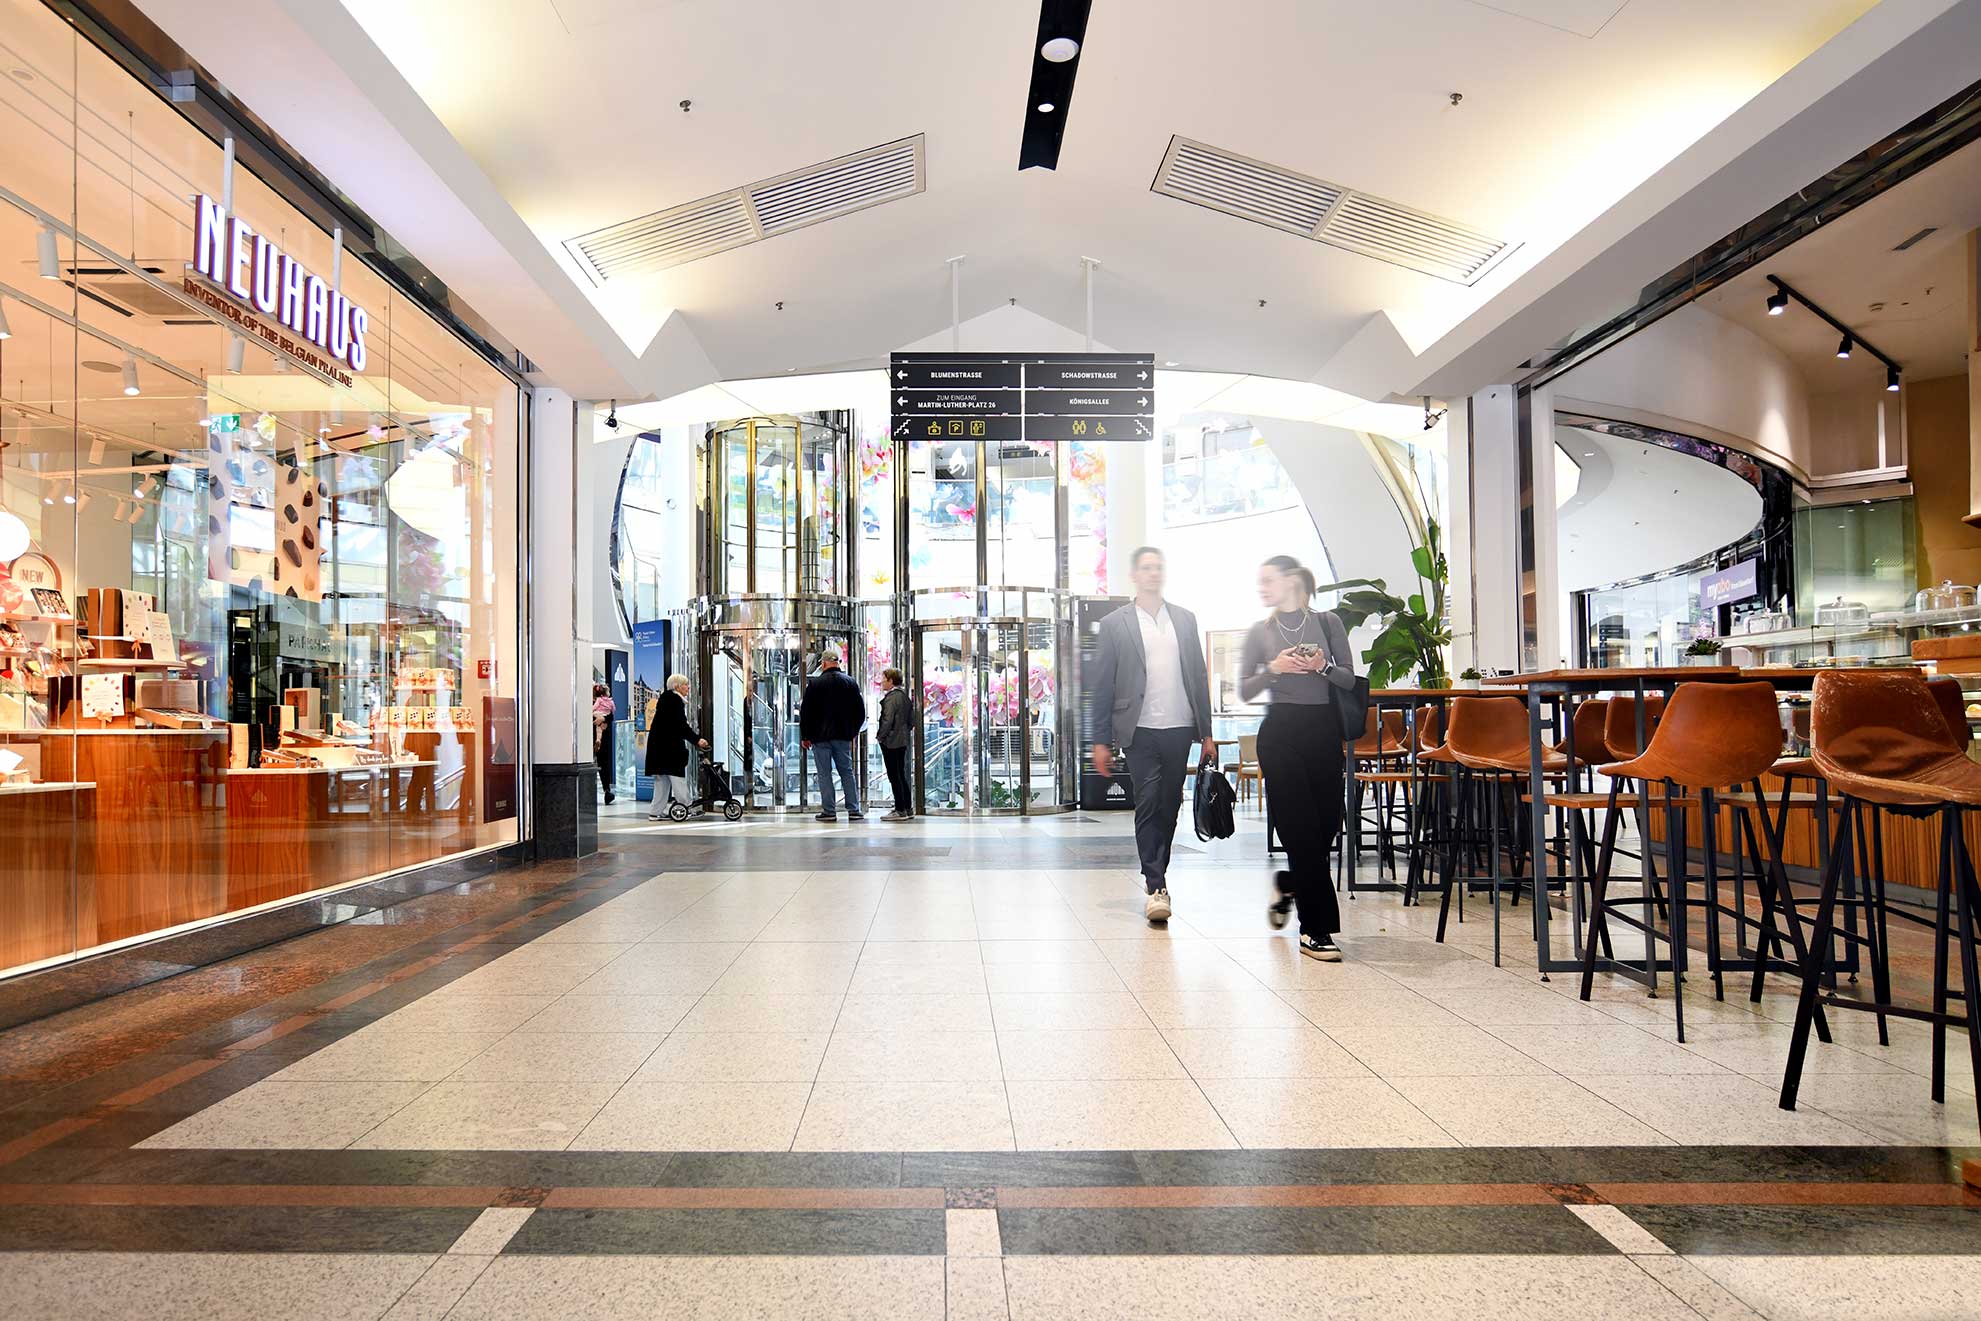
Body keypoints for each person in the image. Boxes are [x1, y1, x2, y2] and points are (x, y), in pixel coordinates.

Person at [1087, 546, 1216, 924]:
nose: (1153, 573)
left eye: (1158, 567)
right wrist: (1100, 741)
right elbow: (1102, 686)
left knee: (1169, 802)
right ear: (1134, 575)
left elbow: (1197, 676)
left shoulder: (1185, 620)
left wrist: (1206, 733)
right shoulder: (1115, 624)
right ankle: (1155, 883)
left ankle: (1158, 870)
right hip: (1138, 728)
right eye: (1146, 567)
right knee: (1147, 799)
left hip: (1179, 726)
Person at [1238, 554, 1356, 961]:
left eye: (1268, 579)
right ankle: (1315, 930)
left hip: (1323, 732)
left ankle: (1290, 881)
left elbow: (1349, 677)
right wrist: (1273, 668)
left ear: (1292, 581)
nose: (1262, 587)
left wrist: (1323, 666)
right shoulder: (1260, 631)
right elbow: (1245, 690)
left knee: (1325, 827)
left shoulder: (1328, 624)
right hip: (1280, 735)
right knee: (1301, 830)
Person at [799, 647, 866, 822]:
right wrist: (852, 732)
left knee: (824, 773)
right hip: (843, 736)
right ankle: (854, 809)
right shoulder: (850, 682)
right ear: (837, 663)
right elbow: (860, 711)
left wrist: (805, 736)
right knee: (846, 772)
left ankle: (829, 811)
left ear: (824, 663)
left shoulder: (815, 684)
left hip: (820, 737)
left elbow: (806, 712)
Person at [645, 673, 707, 819]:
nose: (688, 687)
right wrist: (697, 740)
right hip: (669, 749)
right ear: (677, 686)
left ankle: (655, 812)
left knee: (662, 781)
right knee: (677, 778)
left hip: (658, 748)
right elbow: (681, 726)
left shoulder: (666, 699)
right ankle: (687, 807)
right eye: (686, 684)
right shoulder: (674, 701)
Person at [876, 667, 915, 820]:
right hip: (902, 740)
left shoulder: (891, 698)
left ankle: (900, 810)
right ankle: (907, 807)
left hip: (891, 741)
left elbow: (887, 720)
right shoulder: (904, 697)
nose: (881, 682)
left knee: (894, 775)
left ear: (891, 681)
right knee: (901, 774)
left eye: (884, 679)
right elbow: (911, 720)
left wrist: (881, 736)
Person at [592, 682, 616, 804]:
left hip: (599, 738)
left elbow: (610, 716)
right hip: (598, 737)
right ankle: (606, 790)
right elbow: (611, 714)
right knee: (601, 764)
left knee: (603, 764)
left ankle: (607, 790)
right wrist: (603, 720)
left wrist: (603, 719)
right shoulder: (606, 702)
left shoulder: (597, 703)